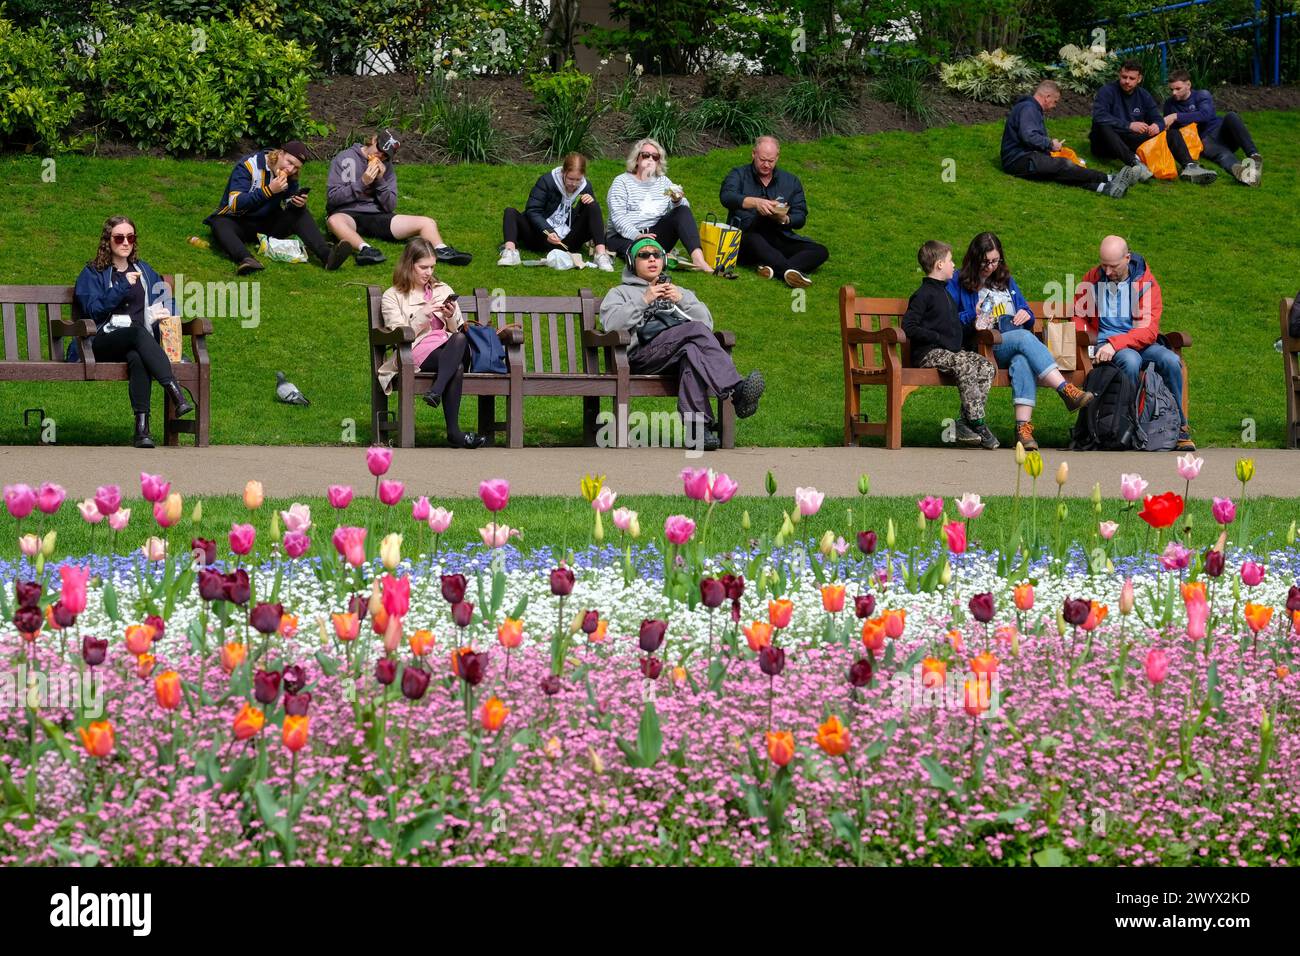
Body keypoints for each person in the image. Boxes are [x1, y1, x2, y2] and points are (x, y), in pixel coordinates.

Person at [599, 238, 765, 451]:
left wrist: (681, 300)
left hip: (674, 355)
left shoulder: (677, 291)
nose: (651, 259)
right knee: (693, 333)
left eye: (657, 255)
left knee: (693, 353)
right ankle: (737, 389)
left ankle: (698, 431)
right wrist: (644, 300)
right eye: (644, 255)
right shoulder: (620, 292)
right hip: (639, 357)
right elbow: (611, 324)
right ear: (632, 262)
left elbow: (707, 324)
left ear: (663, 261)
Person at [948, 233, 1094, 452]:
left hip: (1011, 342)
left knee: (1022, 360)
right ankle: (1065, 389)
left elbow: (1024, 309)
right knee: (1025, 339)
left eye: (995, 261)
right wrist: (972, 314)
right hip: (982, 346)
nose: (990, 266)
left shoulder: (1005, 280)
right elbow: (948, 319)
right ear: (974, 258)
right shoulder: (958, 281)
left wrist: (1026, 315)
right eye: (985, 261)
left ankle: (1022, 430)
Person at [73, 216, 194, 449]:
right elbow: (92, 311)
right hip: (100, 341)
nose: (125, 242)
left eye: (130, 237)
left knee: (138, 357)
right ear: (108, 241)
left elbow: (165, 296)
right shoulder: (93, 272)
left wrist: (167, 313)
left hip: (136, 344)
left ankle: (142, 431)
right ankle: (174, 391)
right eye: (119, 238)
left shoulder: (144, 270)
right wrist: (121, 287)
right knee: (137, 333)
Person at [1072, 235, 1195, 451]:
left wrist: (1116, 343)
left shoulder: (1145, 282)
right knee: (1130, 360)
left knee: (1171, 360)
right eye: (1104, 265)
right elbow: (1079, 315)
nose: (1107, 272)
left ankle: (1179, 427)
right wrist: (1089, 341)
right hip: (1107, 344)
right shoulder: (1092, 278)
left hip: (1138, 342)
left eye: (1112, 266)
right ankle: (1126, 427)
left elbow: (1148, 331)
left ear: (1127, 258)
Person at [377, 239, 488, 449]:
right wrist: (422, 315)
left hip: (451, 346)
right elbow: (399, 333)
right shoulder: (393, 296)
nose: (428, 272)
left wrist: (451, 315)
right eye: (423, 267)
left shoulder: (442, 289)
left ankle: (436, 391)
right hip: (417, 352)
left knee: (460, 339)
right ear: (409, 265)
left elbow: (459, 330)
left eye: (432, 267)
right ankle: (455, 433)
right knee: (457, 367)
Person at [326, 129, 472, 267]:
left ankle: (442, 250)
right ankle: (366, 250)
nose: (380, 156)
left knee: (427, 222)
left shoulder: (386, 165)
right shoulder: (345, 158)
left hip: (376, 215)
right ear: (373, 139)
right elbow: (333, 199)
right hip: (346, 214)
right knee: (334, 221)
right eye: (380, 150)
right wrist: (362, 182)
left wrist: (380, 181)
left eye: (385, 155)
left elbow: (390, 206)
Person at [902, 240, 998, 449]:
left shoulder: (946, 294)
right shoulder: (923, 294)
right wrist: (936, 338)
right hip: (929, 354)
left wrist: (976, 323)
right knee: (964, 365)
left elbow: (955, 332)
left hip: (950, 352)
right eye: (950, 260)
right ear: (938, 265)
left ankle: (965, 422)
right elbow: (908, 326)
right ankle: (978, 423)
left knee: (986, 365)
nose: (954, 265)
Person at [204, 141, 349, 275]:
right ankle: (246, 259)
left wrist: (296, 202)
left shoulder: (291, 176)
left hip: (266, 224)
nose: (290, 169)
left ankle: (327, 256)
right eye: (289, 162)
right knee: (219, 223)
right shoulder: (248, 165)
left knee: (299, 211)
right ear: (279, 154)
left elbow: (287, 203)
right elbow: (235, 203)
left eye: (296, 167)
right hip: (237, 220)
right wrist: (269, 190)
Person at [719, 135, 829, 287]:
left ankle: (771, 269)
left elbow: (801, 216)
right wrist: (755, 203)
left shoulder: (791, 181)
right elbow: (726, 197)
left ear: (777, 157)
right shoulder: (738, 174)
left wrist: (784, 218)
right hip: (746, 237)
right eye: (762, 160)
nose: (766, 165)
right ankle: (788, 271)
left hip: (778, 235)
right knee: (754, 239)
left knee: (820, 251)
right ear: (753, 154)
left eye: (771, 161)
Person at [1002, 80, 1141, 198]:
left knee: (1063, 172)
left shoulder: (1029, 108)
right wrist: (1050, 144)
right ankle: (1111, 178)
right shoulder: (1028, 108)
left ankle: (1105, 188)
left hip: (1024, 159)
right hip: (1019, 160)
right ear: (1047, 97)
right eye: (1055, 102)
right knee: (1063, 165)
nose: (1054, 106)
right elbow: (1029, 136)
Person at [605, 139, 714, 273]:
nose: (650, 159)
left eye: (655, 157)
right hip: (625, 236)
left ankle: (698, 259)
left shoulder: (663, 182)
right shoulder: (621, 182)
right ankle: (655, 255)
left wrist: (677, 201)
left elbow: (683, 209)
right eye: (646, 155)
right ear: (637, 159)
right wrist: (637, 235)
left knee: (683, 210)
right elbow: (618, 218)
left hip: (655, 234)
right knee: (642, 252)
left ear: (658, 162)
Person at [497, 152, 613, 270]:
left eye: (578, 179)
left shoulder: (585, 187)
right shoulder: (547, 181)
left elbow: (588, 218)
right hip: (539, 237)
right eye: (570, 178)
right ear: (563, 172)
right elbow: (533, 210)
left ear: (583, 175)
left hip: (567, 242)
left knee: (593, 206)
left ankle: (601, 255)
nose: (573, 184)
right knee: (510, 212)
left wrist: (590, 201)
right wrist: (547, 231)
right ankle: (510, 252)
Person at [1162, 70, 1262, 186]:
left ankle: (1254, 156)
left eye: (1178, 89)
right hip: (1204, 140)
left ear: (1188, 85)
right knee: (1223, 155)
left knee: (1231, 116)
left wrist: (1176, 116)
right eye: (1171, 89)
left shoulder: (1202, 95)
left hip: (1221, 131)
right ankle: (1247, 176)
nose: (1174, 93)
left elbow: (1205, 115)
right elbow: (1171, 130)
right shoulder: (1169, 104)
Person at [1088, 60, 1163, 182]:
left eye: (1132, 78)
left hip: (1129, 141)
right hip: (1105, 143)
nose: (1127, 81)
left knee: (1169, 132)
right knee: (1102, 124)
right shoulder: (1107, 91)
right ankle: (1135, 163)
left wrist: (1156, 125)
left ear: (1139, 79)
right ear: (1119, 75)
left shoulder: (1144, 95)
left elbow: (1158, 118)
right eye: (1124, 77)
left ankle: (1190, 165)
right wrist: (1129, 125)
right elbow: (1099, 116)